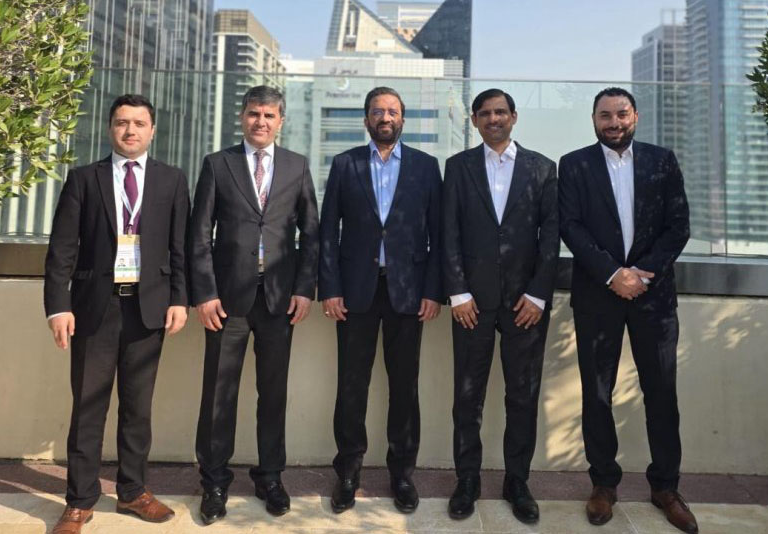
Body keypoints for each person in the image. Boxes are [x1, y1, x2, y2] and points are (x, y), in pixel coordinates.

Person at [44, 94, 190, 534]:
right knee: (88, 407)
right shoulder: (84, 179)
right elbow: (61, 249)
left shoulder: (172, 180)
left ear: (152, 131)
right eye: (122, 122)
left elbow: (180, 248)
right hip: (94, 308)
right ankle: (79, 501)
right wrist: (58, 306)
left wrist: (179, 298)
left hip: (148, 308)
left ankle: (132, 491)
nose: (130, 131)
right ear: (110, 128)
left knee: (137, 408)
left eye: (139, 123)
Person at [558, 87, 696, 534]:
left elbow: (678, 226)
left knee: (662, 392)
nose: (613, 122)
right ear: (593, 120)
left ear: (635, 116)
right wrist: (613, 274)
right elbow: (570, 227)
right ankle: (603, 484)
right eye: (605, 115)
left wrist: (642, 275)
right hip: (598, 296)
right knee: (598, 393)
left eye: (621, 114)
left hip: (654, 299)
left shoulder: (662, 160)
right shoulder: (574, 164)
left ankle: (666, 488)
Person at [189, 85, 319, 524]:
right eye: (253, 114)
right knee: (218, 393)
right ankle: (213, 481)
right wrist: (205, 293)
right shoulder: (218, 164)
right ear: (242, 117)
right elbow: (199, 235)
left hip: (280, 301)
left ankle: (270, 477)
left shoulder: (298, 166)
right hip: (227, 301)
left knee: (274, 392)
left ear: (281, 121)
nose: (260, 121)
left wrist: (304, 289)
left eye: (268, 115)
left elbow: (311, 234)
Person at [318, 86, 443, 514]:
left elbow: (439, 235)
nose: (385, 118)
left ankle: (402, 473)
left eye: (392, 111)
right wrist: (330, 288)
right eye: (377, 111)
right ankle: (348, 471)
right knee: (351, 385)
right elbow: (327, 232)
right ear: (366, 119)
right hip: (355, 293)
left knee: (404, 387)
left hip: (409, 293)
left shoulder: (426, 167)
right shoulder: (345, 164)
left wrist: (432, 290)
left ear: (402, 119)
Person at [442, 88, 559, 524]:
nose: (494, 119)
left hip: (524, 304)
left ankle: (517, 482)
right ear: (474, 120)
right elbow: (448, 231)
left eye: (501, 112)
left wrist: (538, 294)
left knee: (522, 396)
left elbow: (551, 236)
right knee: (466, 397)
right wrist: (458, 292)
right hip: (471, 303)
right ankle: (467, 480)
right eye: (485, 113)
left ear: (514, 116)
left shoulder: (543, 168)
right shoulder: (457, 167)